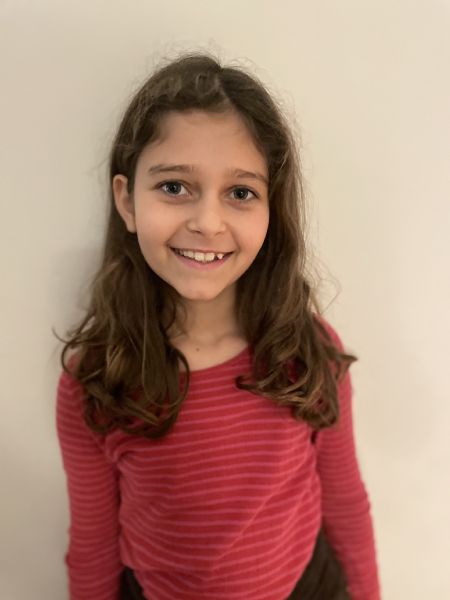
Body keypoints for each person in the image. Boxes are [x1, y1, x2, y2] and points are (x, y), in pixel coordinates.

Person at [54, 51, 381, 600]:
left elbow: (345, 503)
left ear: (271, 210)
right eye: (174, 187)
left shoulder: (308, 351)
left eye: (241, 193)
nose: (208, 222)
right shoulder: (95, 381)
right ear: (127, 201)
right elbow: (93, 543)